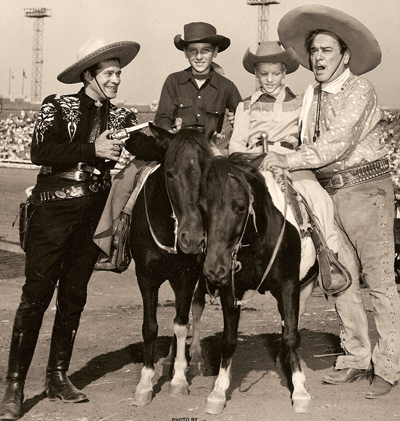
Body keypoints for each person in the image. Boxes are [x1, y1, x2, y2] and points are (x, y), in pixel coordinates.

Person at [0, 37, 163, 420]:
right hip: (51, 212)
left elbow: (147, 147)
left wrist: (178, 138)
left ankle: (57, 378)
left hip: (93, 218)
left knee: (74, 298)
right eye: (109, 73)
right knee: (36, 296)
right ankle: (14, 387)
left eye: (119, 74)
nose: (116, 80)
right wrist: (92, 151)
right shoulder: (57, 105)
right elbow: (39, 151)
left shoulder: (123, 118)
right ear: (89, 74)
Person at [262, 5, 400, 398]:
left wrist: (289, 159)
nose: (319, 58)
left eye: (326, 50)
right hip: (328, 193)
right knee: (340, 279)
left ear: (344, 55)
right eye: (314, 51)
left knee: (379, 282)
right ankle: (356, 358)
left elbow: (334, 144)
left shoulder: (360, 90)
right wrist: (279, 150)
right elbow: (307, 143)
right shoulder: (311, 94)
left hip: (366, 191)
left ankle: (389, 364)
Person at [229, 41, 349, 294]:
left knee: (319, 198)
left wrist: (290, 157)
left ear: (284, 73)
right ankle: (220, 260)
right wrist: (250, 159)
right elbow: (236, 144)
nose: (270, 79)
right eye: (263, 74)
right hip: (254, 163)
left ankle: (330, 257)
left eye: (275, 73)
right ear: (256, 74)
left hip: (290, 161)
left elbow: (308, 137)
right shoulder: (245, 105)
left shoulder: (301, 102)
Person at [155, 21, 242, 142]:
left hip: (209, 150)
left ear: (215, 51)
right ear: (185, 52)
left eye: (205, 50)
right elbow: (162, 119)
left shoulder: (226, 86)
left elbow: (243, 120)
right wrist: (171, 135)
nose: (199, 57)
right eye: (192, 50)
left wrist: (238, 121)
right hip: (179, 148)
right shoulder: (173, 81)